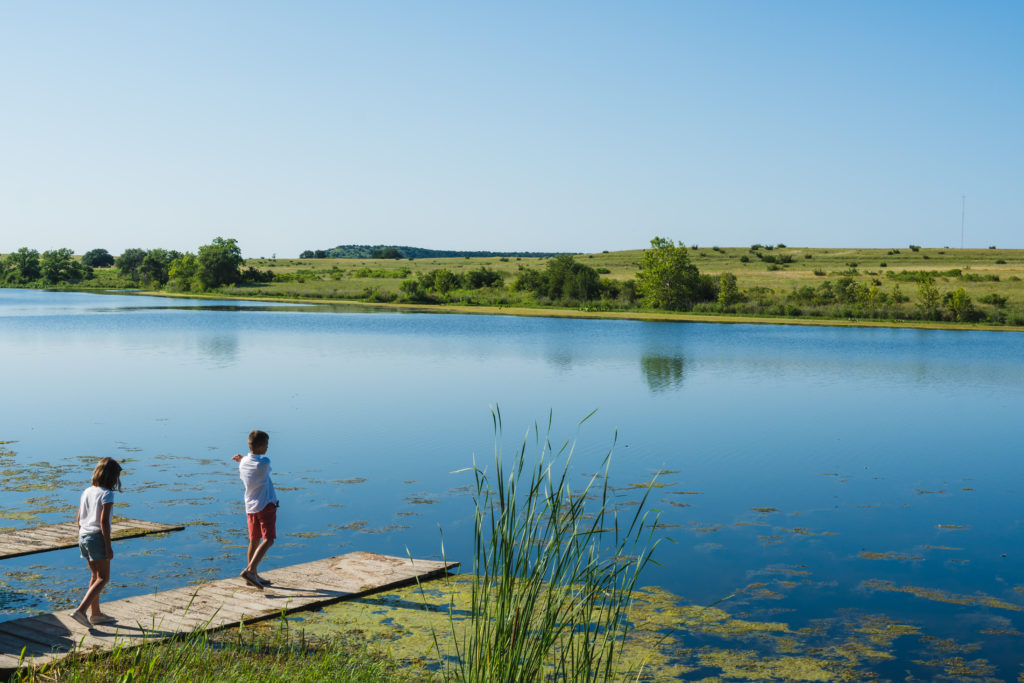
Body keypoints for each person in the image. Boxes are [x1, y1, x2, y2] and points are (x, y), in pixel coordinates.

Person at [69, 457, 123, 628]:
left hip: (83, 535)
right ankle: (81, 611)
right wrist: (108, 546)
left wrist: (82, 535)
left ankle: (96, 614)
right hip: (96, 537)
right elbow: (104, 522)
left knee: (95, 576)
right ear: (113, 477)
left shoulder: (87, 491)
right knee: (104, 578)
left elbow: (78, 518)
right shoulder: (107, 494)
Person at [232, 429, 278, 589]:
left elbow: (247, 460)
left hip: (250, 507)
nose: (267, 447)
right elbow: (261, 463)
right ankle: (250, 571)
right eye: (266, 444)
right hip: (265, 505)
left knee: (254, 539)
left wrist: (242, 459)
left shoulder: (243, 463)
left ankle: (253, 576)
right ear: (260, 446)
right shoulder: (264, 463)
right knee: (269, 539)